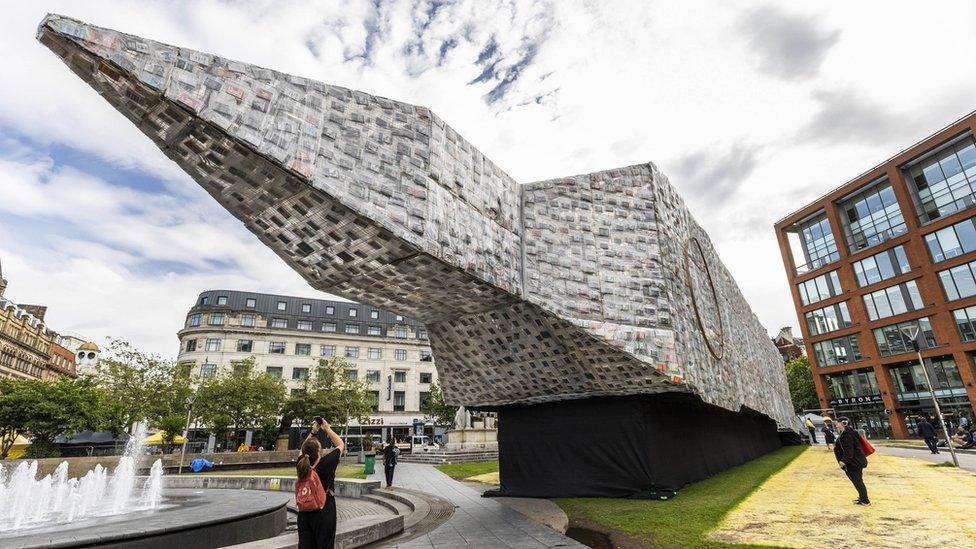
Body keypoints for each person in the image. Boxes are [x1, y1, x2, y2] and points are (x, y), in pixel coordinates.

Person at [296, 418, 344, 549]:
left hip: (304, 512)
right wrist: (327, 428)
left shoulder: (301, 465)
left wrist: (313, 431)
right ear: (318, 451)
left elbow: (302, 449)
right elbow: (340, 445)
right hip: (324, 511)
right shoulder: (327, 463)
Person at [834, 417, 869, 505]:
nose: (836, 424)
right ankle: (862, 497)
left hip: (853, 462)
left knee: (857, 481)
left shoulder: (847, 434)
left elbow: (849, 449)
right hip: (856, 461)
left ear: (843, 423)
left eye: (837, 422)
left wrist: (844, 461)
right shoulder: (849, 432)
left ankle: (865, 500)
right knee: (858, 480)